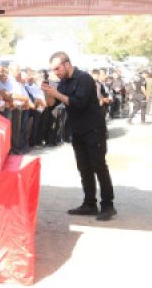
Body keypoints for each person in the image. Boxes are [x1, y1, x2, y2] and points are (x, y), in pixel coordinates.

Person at [41, 51, 115, 221]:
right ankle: (89, 203)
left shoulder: (84, 79)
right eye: (53, 70)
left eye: (57, 68)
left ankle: (108, 205)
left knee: (98, 166)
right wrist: (47, 91)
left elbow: (78, 103)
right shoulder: (63, 83)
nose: (56, 72)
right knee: (84, 168)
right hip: (78, 130)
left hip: (93, 129)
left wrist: (56, 92)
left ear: (67, 64)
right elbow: (52, 105)